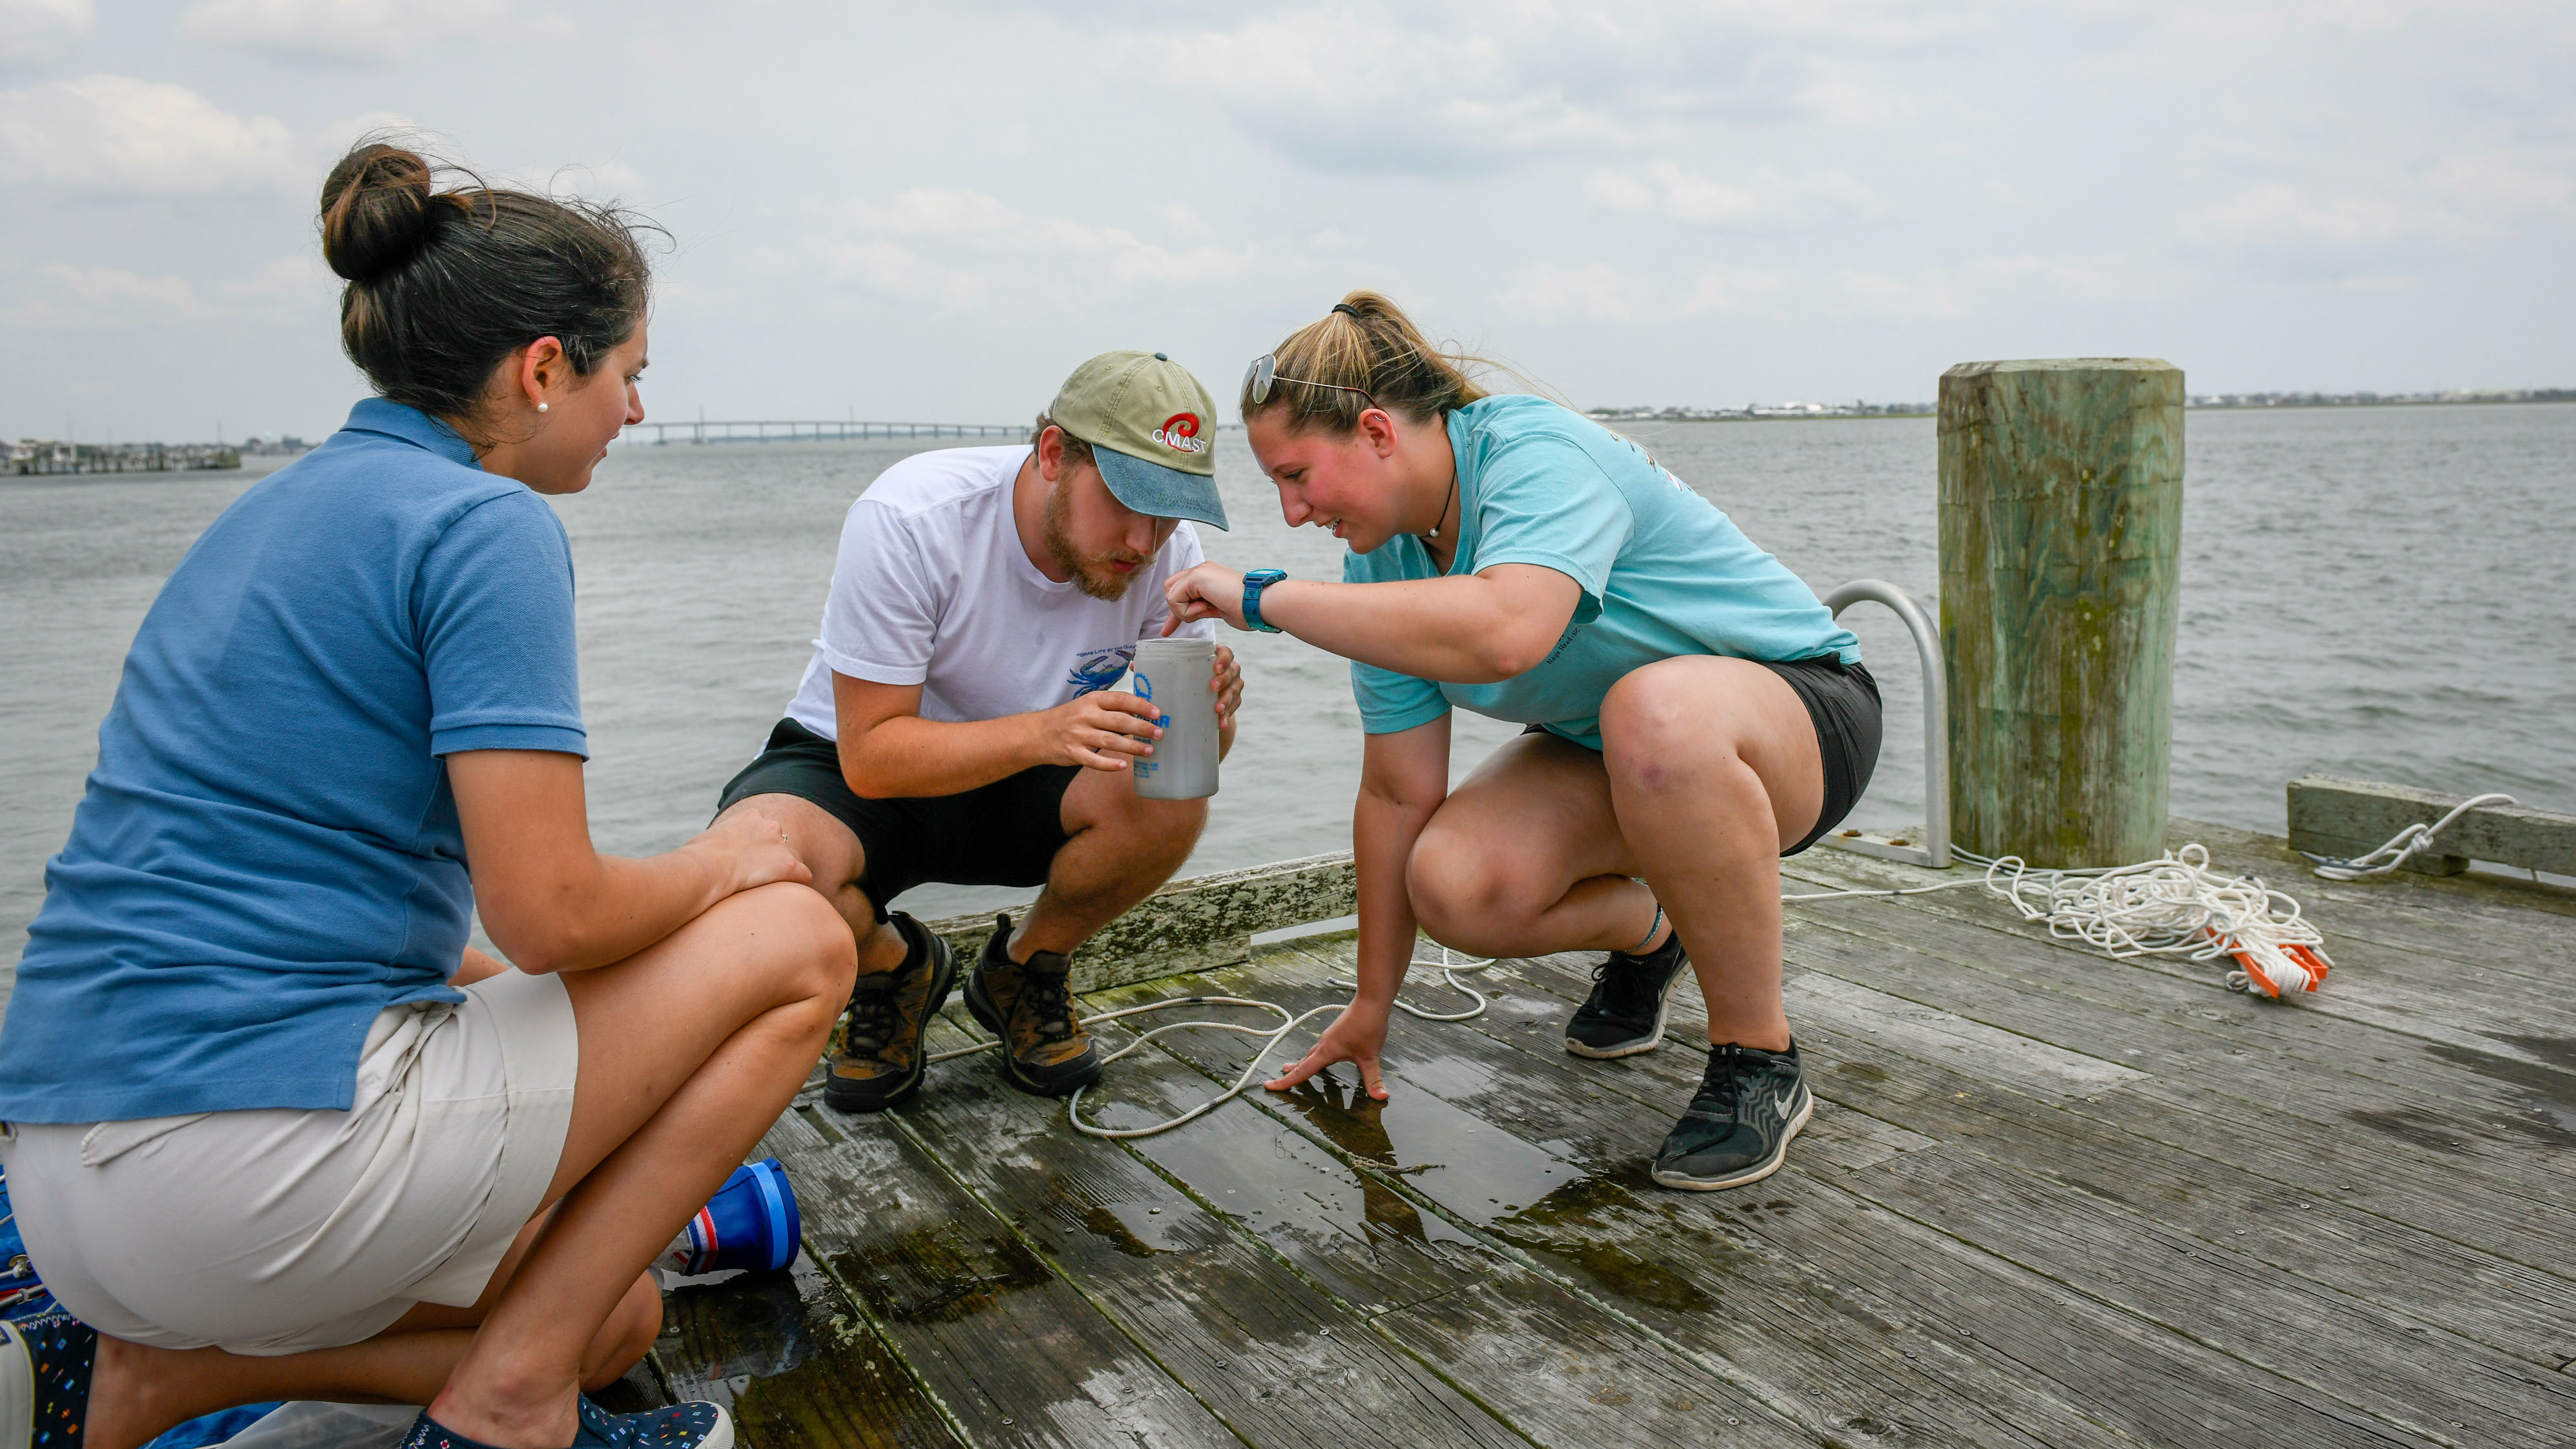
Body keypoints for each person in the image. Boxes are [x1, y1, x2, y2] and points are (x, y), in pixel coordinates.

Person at [0, 142, 849, 1449]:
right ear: (545, 368)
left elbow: (298, 891)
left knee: (611, 1317)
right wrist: (732, 865)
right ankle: (507, 1409)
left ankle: (165, 1379)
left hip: (66, 1174)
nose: (636, 411)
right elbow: (553, 913)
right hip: (241, 1167)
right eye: (629, 374)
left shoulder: (268, 515)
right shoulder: (483, 526)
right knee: (796, 941)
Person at [1162, 292, 1879, 1192]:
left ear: (1378, 432)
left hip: (1798, 721)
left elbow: (1505, 629)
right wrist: (1370, 1003)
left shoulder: (1536, 455)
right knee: (1455, 886)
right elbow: (1395, 793)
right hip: (1614, 752)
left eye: (1297, 476)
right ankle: (1652, 932)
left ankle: (1757, 1059)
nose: (1293, 512)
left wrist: (1260, 598)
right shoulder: (1382, 553)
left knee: (1653, 710)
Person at [712, 351, 1242, 1113]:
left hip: (1035, 765)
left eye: (1169, 509)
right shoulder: (912, 517)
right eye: (1126, 501)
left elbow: (1186, 766)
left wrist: (1214, 724)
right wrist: (1047, 732)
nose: (1143, 538)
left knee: (1174, 789)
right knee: (756, 860)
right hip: (869, 766)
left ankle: (1023, 969)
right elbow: (870, 755)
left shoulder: (1170, 555)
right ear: (1054, 454)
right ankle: (894, 970)